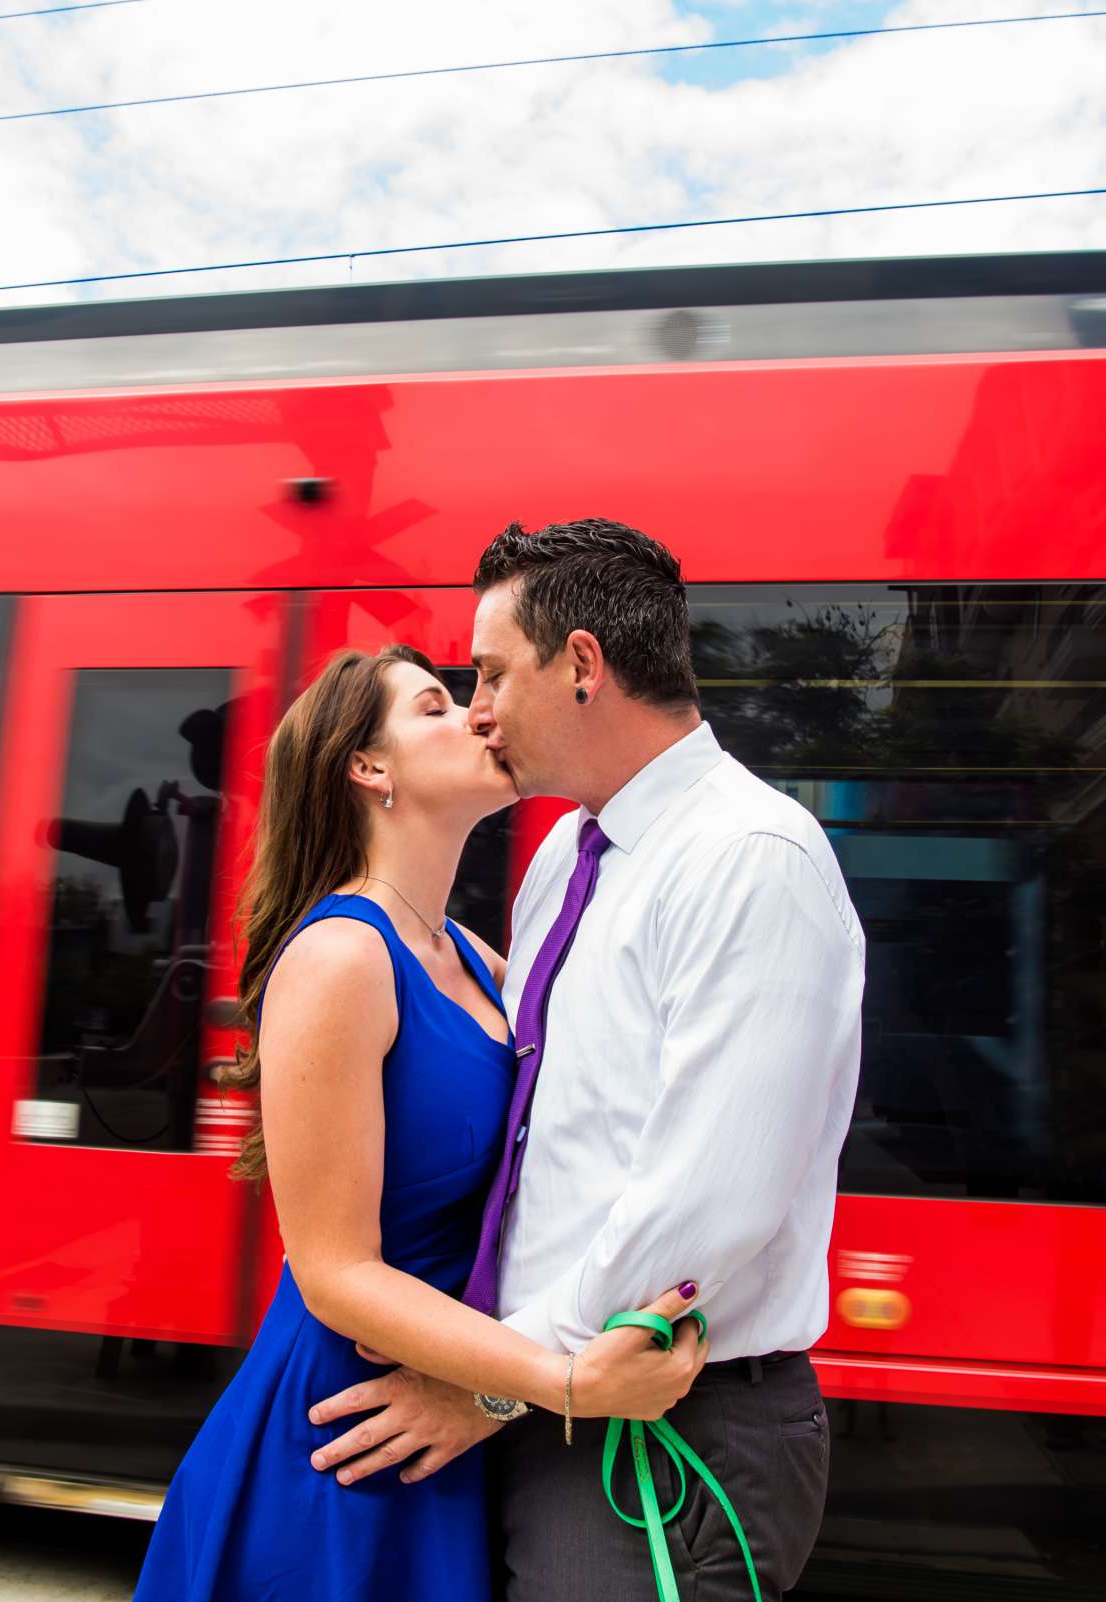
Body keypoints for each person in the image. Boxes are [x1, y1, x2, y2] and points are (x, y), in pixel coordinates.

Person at [308, 519, 868, 1600]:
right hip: (552, 1391)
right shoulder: (567, 855)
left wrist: (497, 1387)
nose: (476, 708)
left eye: (490, 671)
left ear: (581, 667)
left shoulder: (752, 859)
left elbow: (704, 1209)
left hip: (660, 1428)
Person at [134, 643, 707, 1601]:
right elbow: (334, 1271)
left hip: (448, 1412)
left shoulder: (475, 958)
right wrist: (560, 1383)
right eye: (439, 707)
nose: (480, 715)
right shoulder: (341, 958)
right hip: (347, 1438)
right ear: (369, 768)